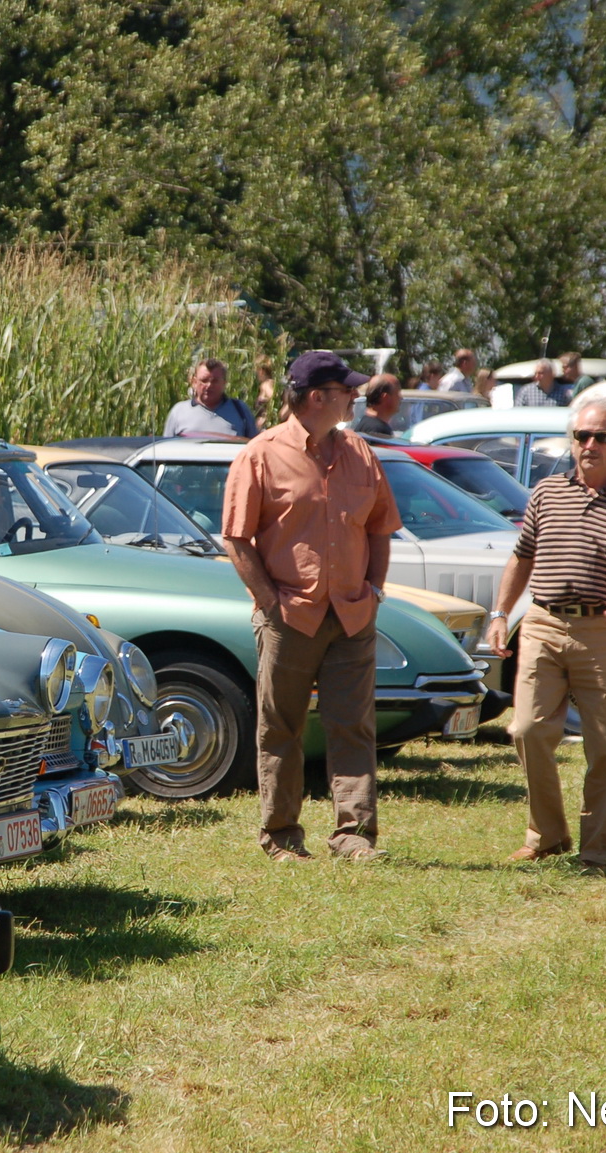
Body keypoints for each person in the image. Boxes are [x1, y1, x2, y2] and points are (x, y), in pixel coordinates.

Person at [223, 351, 401, 863]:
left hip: (351, 614)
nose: (354, 395)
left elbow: (380, 526)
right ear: (318, 397)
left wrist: (373, 591)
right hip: (289, 616)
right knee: (280, 727)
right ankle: (281, 837)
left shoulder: (361, 453)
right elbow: (237, 538)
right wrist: (270, 603)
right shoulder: (259, 454)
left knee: (354, 725)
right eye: (346, 389)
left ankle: (354, 836)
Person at [486, 397, 606, 871]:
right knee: (527, 730)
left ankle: (598, 851)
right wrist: (500, 613)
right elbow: (521, 557)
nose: (590, 445)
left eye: (602, 437)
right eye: (582, 436)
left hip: (605, 634)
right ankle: (546, 835)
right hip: (543, 625)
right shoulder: (546, 494)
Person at [163, 358, 260, 438]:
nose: (209, 385)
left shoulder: (240, 410)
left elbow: (254, 448)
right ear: (194, 382)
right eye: (204, 380)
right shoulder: (179, 412)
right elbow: (165, 451)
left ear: (224, 383)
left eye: (215, 381)